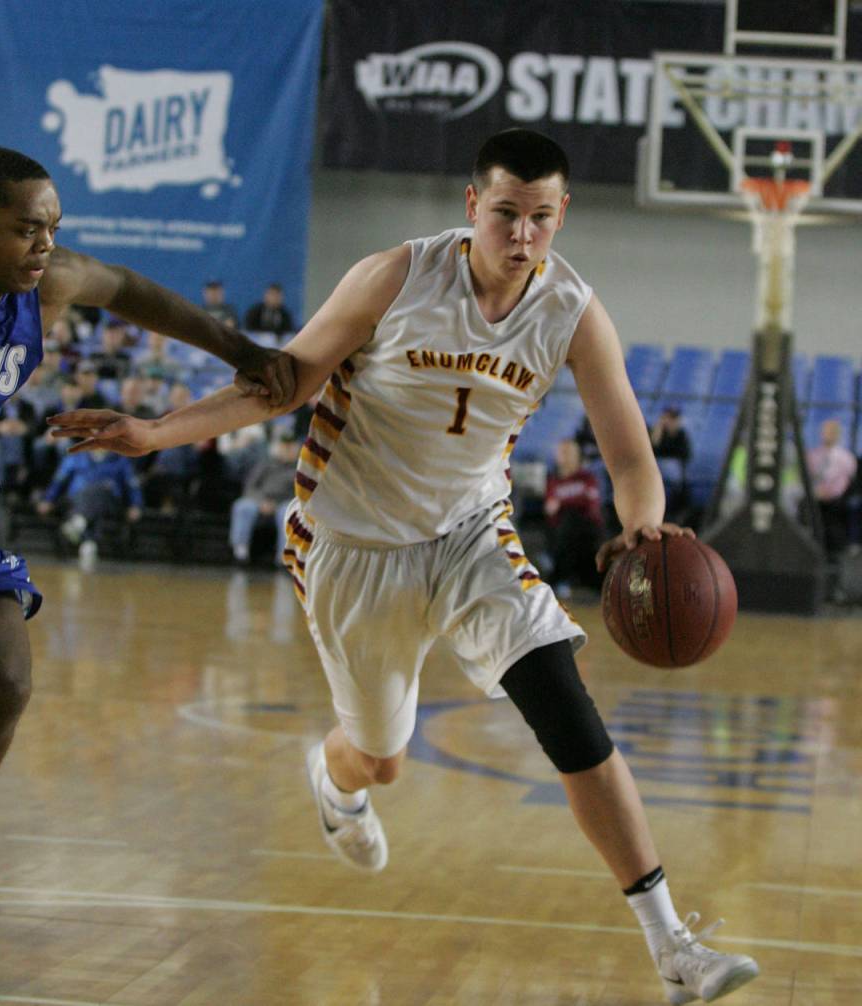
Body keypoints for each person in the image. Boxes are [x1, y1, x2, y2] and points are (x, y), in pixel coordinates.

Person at [50, 129, 759, 1004]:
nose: (523, 236)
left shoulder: (574, 309)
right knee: (379, 758)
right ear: (473, 207)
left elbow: (630, 460)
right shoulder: (395, 276)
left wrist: (643, 532)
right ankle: (335, 780)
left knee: (570, 718)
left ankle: (673, 946)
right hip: (352, 547)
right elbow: (283, 383)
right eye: (506, 214)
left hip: (472, 538)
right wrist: (156, 431)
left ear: (561, 214)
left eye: (541, 218)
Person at [0, 145, 293, 991]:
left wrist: (238, 348)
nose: (45, 245)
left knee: (1, 683)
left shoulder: (47, 285)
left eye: (53, 226)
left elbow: (132, 289)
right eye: (26, 229)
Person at [542, 438, 603, 598]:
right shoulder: (552, 480)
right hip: (560, 531)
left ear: (577, 455)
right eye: (563, 452)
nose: (566, 457)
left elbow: (591, 504)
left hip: (587, 530)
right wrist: (571, 502)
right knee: (568, 522)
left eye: (569, 452)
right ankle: (561, 578)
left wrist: (563, 503)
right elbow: (550, 510)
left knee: (573, 520)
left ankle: (559, 578)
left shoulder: (587, 477)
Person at [229, 432, 300, 565]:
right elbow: (250, 486)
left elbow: (299, 494)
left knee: (288, 513)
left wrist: (275, 503)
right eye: (284, 445)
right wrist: (261, 502)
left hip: (284, 502)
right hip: (259, 500)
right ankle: (240, 552)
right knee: (242, 507)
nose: (286, 449)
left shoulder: (299, 468)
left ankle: (284, 557)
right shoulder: (265, 464)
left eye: (290, 446)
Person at [806, 418, 857, 560]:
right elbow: (809, 478)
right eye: (824, 432)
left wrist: (831, 493)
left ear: (837, 434)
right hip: (816, 499)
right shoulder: (813, 456)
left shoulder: (846, 458)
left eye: (830, 432)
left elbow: (846, 482)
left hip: (836, 501)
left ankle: (834, 557)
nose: (826, 435)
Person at [649, 405, 692, 522]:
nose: (670, 421)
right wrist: (658, 431)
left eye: (673, 418)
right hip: (657, 468)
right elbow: (651, 451)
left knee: (673, 468)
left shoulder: (681, 434)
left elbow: (686, 455)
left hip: (674, 470)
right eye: (668, 417)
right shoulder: (656, 432)